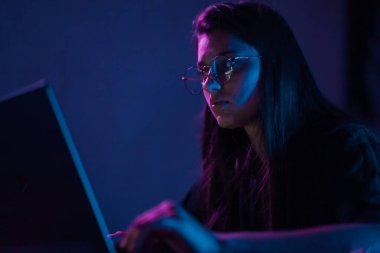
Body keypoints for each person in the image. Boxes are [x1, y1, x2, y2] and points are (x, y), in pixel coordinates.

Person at [118, 1, 380, 252]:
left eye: (229, 65)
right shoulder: (231, 170)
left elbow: (373, 237)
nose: (211, 85)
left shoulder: (345, 146)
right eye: (205, 70)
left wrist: (221, 246)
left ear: (274, 64)